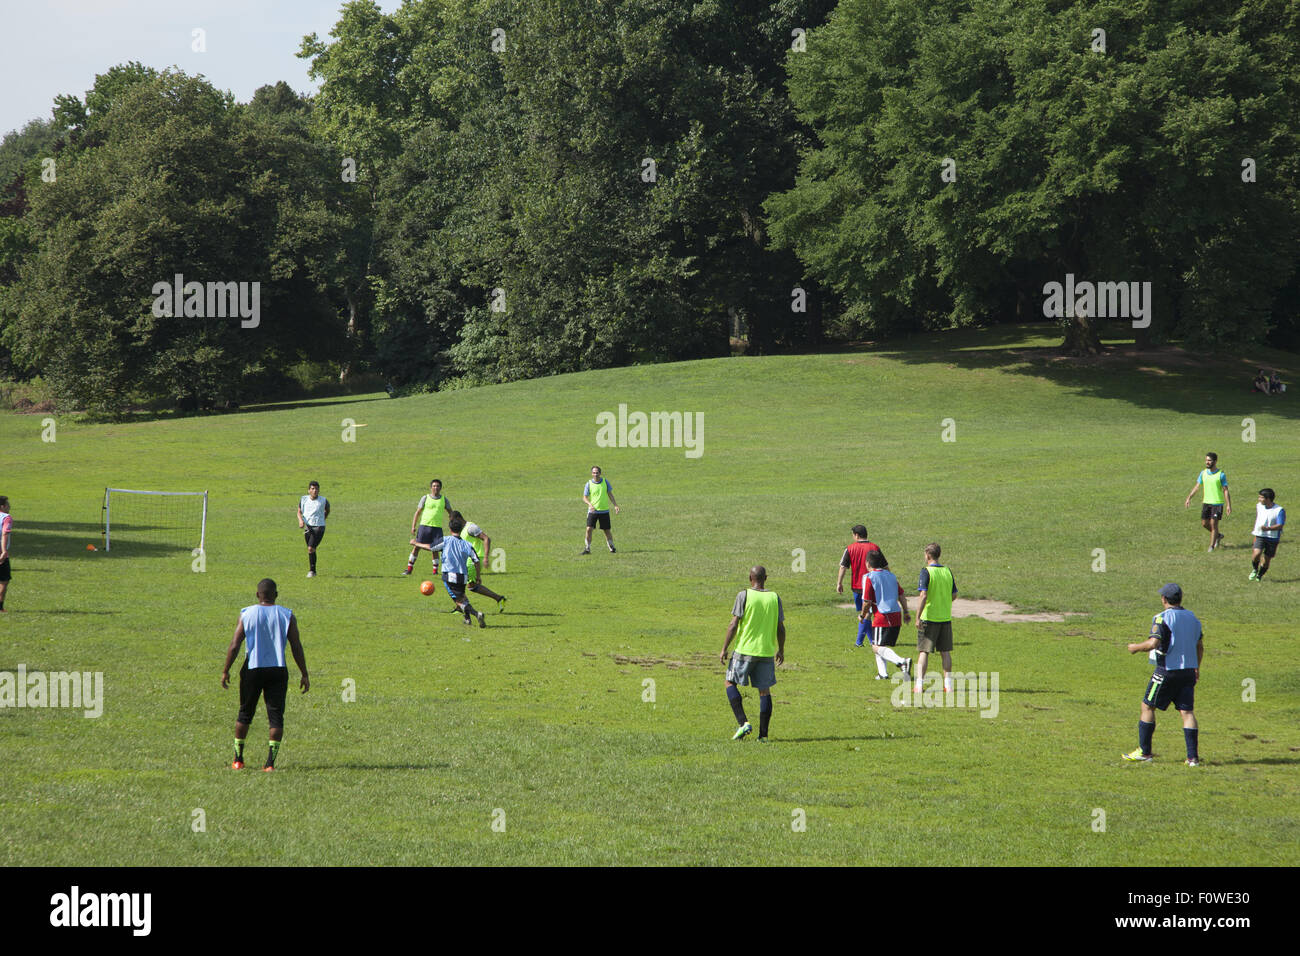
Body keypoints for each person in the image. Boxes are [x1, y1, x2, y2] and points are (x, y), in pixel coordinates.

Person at [221, 578, 309, 771]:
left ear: (257, 595)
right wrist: (304, 673)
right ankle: (269, 763)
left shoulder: (247, 614)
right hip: (277, 669)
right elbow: (296, 646)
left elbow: (235, 645)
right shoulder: (287, 615)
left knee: (245, 713)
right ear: (276, 595)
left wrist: (226, 670)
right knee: (276, 717)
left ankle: (238, 759)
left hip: (252, 668)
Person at [1123, 584, 1203, 766]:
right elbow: (1199, 645)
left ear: (1164, 599)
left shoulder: (1162, 618)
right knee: (1187, 712)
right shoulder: (1193, 618)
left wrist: (1135, 648)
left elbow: (1153, 643)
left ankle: (1145, 752)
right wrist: (1196, 667)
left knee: (1147, 706)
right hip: (1188, 672)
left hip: (1166, 671)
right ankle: (1192, 758)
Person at [720, 566, 786, 742]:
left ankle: (743, 723)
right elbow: (780, 627)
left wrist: (724, 648)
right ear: (766, 578)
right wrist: (781, 649)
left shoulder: (744, 595)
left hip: (744, 650)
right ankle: (763, 736)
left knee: (729, 682)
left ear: (750, 577)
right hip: (766, 652)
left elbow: (733, 624)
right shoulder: (774, 597)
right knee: (764, 691)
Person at [414, 513, 487, 627]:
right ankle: (467, 619)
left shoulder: (446, 540)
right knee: (462, 597)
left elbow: (431, 547)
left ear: (450, 528)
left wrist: (416, 543)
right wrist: (478, 576)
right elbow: (476, 560)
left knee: (458, 600)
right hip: (463, 577)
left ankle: (476, 614)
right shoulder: (467, 544)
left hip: (449, 576)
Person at [859, 549, 912, 679]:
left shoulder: (870, 578)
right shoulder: (891, 576)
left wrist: (862, 615)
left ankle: (901, 661)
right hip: (896, 615)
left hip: (882, 616)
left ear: (867, 563)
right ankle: (882, 673)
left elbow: (867, 602)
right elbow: (901, 595)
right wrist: (906, 612)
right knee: (879, 644)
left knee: (876, 647)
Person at [914, 542, 957, 694]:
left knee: (924, 652)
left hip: (929, 616)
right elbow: (954, 594)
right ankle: (948, 686)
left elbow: (923, 595)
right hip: (945, 617)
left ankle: (919, 685)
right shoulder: (947, 571)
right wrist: (943, 603)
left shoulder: (926, 572)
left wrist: (917, 617)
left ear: (928, 555)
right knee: (945, 652)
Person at [836, 525, 885, 646]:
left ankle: (859, 642)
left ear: (856, 535)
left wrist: (839, 583)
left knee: (865, 613)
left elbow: (843, 566)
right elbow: (885, 566)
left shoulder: (850, 548)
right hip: (874, 585)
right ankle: (872, 640)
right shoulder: (875, 547)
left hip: (857, 586)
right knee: (866, 613)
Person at [455, 511, 506, 609]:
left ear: (459, 519)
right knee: (466, 584)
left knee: (466, 585)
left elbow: (486, 538)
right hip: (468, 560)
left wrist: (486, 557)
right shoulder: (461, 530)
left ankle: (462, 608)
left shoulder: (471, 528)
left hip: (473, 560)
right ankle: (498, 598)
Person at [1183, 452, 1231, 552]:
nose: (1207, 462)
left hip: (1217, 503)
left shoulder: (1221, 475)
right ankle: (1218, 536)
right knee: (1204, 523)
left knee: (1214, 524)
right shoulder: (1203, 473)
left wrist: (1228, 505)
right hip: (1206, 502)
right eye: (1206, 460)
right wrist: (1189, 498)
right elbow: (1197, 487)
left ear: (1215, 461)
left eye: (1209, 460)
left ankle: (1211, 546)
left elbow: (1225, 490)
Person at [404, 479, 451, 576]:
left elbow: (451, 512)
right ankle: (409, 569)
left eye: (437, 486)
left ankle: (435, 572)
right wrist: (413, 526)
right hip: (424, 527)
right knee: (417, 547)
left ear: (440, 488)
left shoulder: (444, 500)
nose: (436, 488)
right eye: (434, 486)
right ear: (431, 488)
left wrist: (453, 526)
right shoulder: (425, 498)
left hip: (437, 528)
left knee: (435, 549)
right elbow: (418, 512)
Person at [1249, 488, 1286, 581]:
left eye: (1261, 497)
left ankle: (1260, 575)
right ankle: (1255, 569)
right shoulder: (1259, 506)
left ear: (1268, 499)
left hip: (1272, 538)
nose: (1259, 499)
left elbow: (1280, 525)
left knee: (1266, 560)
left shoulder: (1279, 510)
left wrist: (1268, 528)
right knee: (1256, 554)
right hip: (1260, 535)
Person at [581, 466, 619, 554]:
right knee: (589, 529)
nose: (595, 474)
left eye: (597, 472)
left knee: (606, 530)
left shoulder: (605, 482)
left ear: (600, 473)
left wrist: (615, 505)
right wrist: (590, 504)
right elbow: (584, 497)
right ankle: (587, 548)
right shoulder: (589, 483)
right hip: (593, 511)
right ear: (591, 474)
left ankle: (612, 547)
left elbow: (610, 494)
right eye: (594, 473)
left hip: (604, 511)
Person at [296, 481, 330, 578]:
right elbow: (299, 512)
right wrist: (300, 521)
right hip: (308, 527)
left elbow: (328, 510)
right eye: (313, 489)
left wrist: (323, 519)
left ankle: (311, 572)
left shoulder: (323, 500)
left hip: (319, 527)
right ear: (309, 490)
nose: (315, 491)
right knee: (311, 550)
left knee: (310, 548)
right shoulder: (303, 499)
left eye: (316, 489)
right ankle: (313, 571)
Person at [0, 495, 11, 612]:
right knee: (3, 581)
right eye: (8, 504)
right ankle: (0, 607)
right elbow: (4, 534)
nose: (9, 507)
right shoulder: (6, 518)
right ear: (2, 506)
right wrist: (4, 551)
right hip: (1, 554)